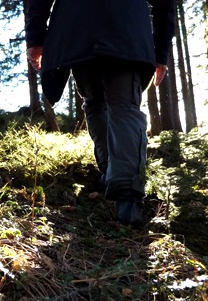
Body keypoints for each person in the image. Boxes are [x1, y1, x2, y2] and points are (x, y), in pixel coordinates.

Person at [25, 0, 176, 227]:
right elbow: (165, 5)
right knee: (121, 105)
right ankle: (127, 197)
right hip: (126, 31)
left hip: (79, 32)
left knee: (96, 103)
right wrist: (160, 52)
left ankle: (111, 175)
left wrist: (35, 39)